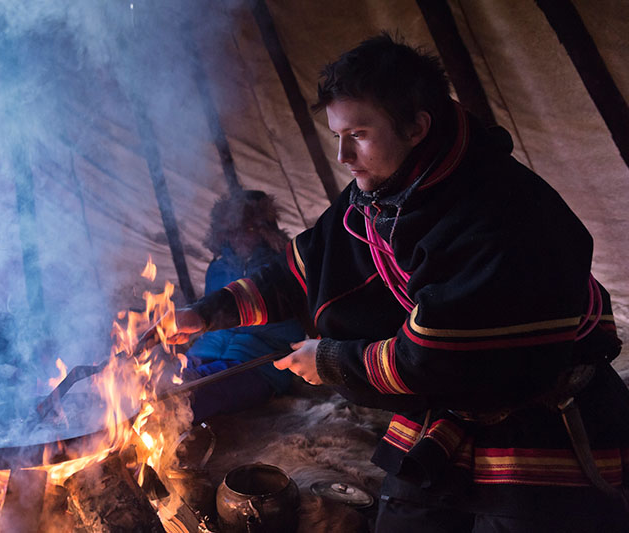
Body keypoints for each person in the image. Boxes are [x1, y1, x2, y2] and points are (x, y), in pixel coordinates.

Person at [168, 34, 629, 531]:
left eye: (359, 134)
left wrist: (327, 360)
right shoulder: (384, 193)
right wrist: (205, 313)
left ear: (416, 126)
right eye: (337, 136)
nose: (343, 154)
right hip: (450, 407)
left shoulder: (499, 214)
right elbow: (302, 268)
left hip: (535, 418)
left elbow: (435, 356)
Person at [184, 190, 304, 423]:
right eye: (231, 231)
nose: (238, 237)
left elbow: (292, 329)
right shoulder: (217, 269)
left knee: (193, 394)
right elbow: (214, 321)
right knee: (162, 383)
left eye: (247, 229)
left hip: (258, 361)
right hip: (208, 352)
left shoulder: (281, 268)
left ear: (263, 230)